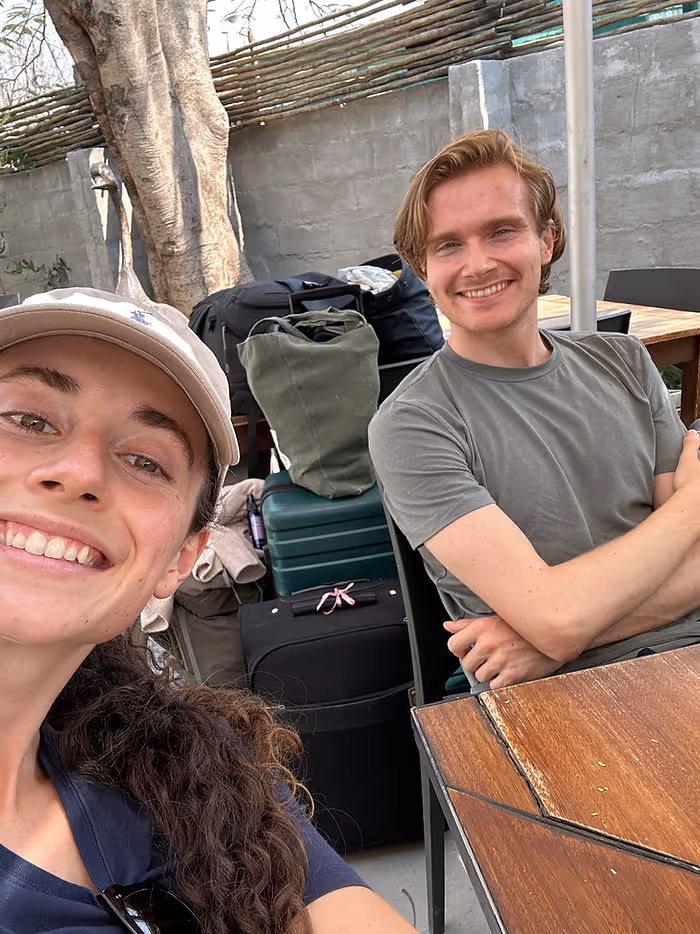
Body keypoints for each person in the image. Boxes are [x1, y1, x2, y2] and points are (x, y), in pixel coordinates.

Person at [0, 287, 416, 934]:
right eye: (29, 420)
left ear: (179, 560)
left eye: (144, 460)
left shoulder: (190, 767)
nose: (79, 471)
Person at [369, 128, 700, 692]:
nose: (476, 264)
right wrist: (694, 503)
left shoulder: (624, 360)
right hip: (555, 699)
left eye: (502, 231)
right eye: (448, 244)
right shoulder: (413, 423)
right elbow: (555, 617)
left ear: (546, 241)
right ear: (423, 269)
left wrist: (551, 638)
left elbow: (561, 626)